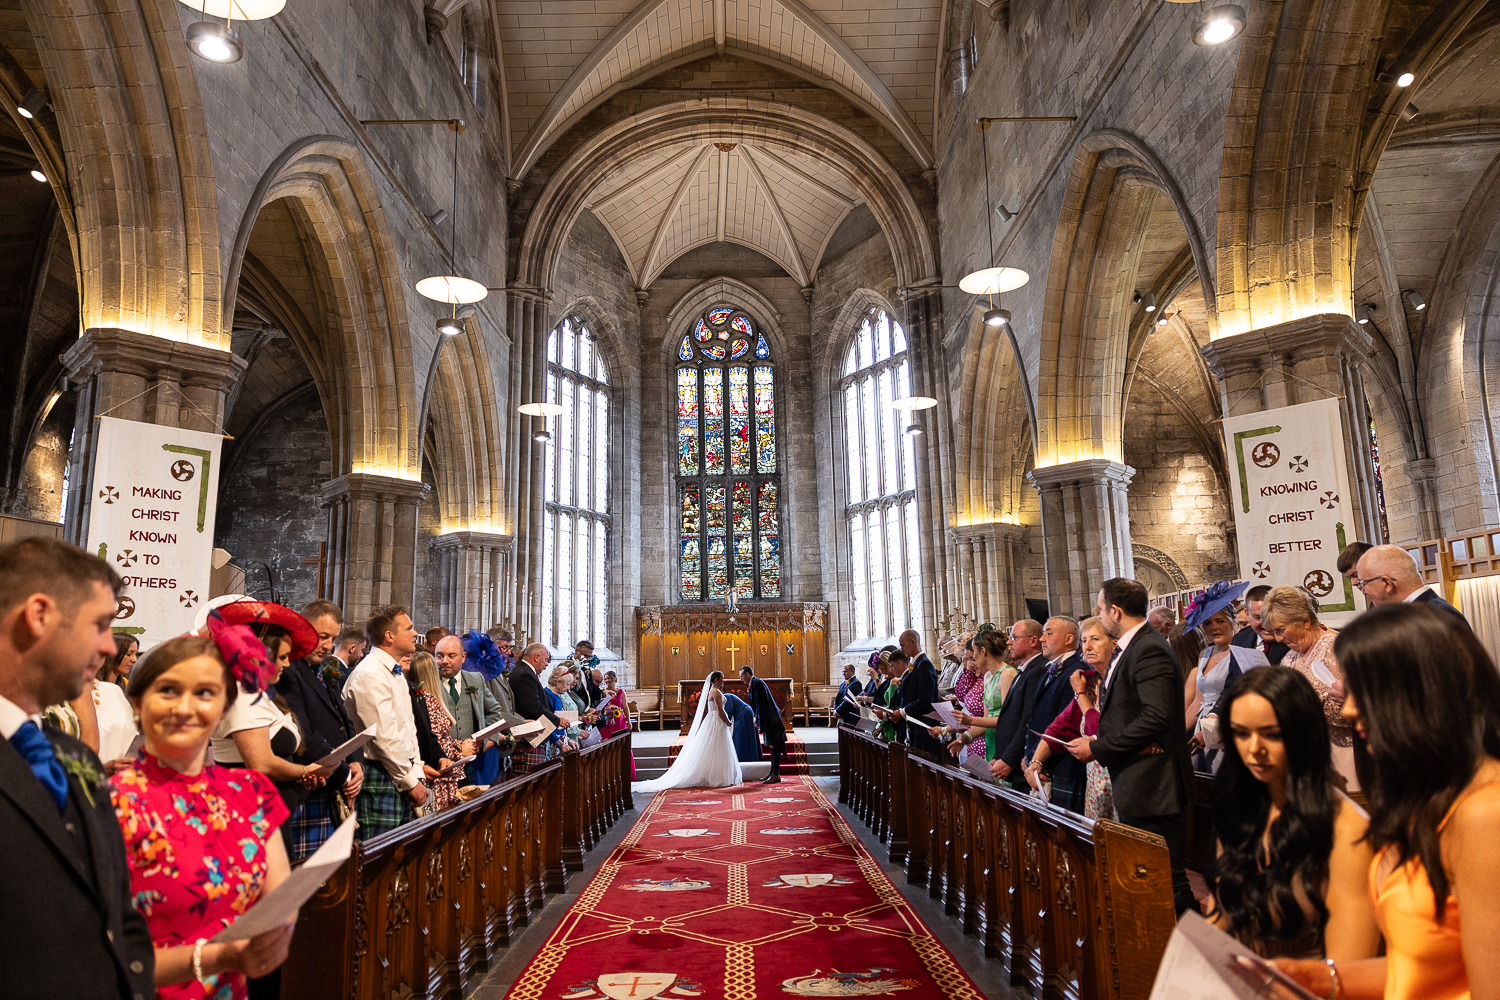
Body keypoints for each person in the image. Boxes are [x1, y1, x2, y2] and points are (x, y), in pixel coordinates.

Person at [1276, 604, 1500, 999]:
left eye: (1364, 691)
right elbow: (1430, 966)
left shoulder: (1486, 811)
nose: (1348, 708)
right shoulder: (1428, 796)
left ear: (1419, 693)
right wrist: (1317, 978)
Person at [0, 538, 156, 1000]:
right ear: (40, 614)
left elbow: (116, 910)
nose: (110, 646)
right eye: (101, 625)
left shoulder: (75, 757)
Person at [112, 624, 302, 1000]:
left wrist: (278, 934)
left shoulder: (251, 792)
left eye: (204, 694)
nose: (185, 708)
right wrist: (217, 957)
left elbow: (280, 901)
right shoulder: (111, 802)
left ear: (224, 708)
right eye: (168, 690)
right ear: (137, 703)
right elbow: (96, 949)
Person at [1208, 667, 1380, 961]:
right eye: (1241, 734)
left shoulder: (1346, 829)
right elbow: (1220, 922)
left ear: (1303, 735)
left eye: (1272, 735)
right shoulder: (1240, 810)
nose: (1254, 750)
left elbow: (1347, 969)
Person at [1068, 578, 1194, 916]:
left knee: (1166, 875)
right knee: (1151, 871)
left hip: (1154, 782)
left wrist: (1099, 747)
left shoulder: (1147, 647)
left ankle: (1192, 951)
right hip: (1139, 778)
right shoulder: (1133, 646)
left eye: (1100, 608)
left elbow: (1157, 716)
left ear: (1115, 611)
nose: (1099, 614)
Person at [275, 599, 364, 863]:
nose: (327, 645)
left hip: (333, 780)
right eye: (322, 636)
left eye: (332, 638)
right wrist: (345, 774)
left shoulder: (323, 669)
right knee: (306, 876)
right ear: (302, 630)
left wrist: (356, 760)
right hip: (309, 787)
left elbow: (345, 721)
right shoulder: (290, 672)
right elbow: (304, 735)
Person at [1260, 585, 1360, 795]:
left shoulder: (1335, 648)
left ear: (1306, 621)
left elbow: (1350, 712)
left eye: (1281, 630)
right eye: (1273, 632)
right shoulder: (1291, 655)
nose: (1278, 639)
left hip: (1339, 754)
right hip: (1306, 756)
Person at [342, 605, 428, 835]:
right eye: (408, 628)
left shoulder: (393, 672)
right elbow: (384, 738)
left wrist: (416, 771)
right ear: (389, 636)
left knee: (399, 855)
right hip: (378, 775)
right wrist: (410, 782)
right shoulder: (370, 673)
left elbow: (408, 730)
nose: (414, 633)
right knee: (378, 859)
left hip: (396, 772)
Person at [1182, 582, 1268, 773]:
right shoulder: (1204, 654)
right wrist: (1176, 732)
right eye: (1208, 623)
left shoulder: (1242, 652)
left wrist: (1214, 729)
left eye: (1220, 621)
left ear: (1232, 621)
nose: (1214, 628)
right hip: (1201, 727)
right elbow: (1198, 701)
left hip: (1227, 724)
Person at [1015, 618, 1086, 809]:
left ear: (1069, 638)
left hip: (1062, 765)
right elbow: (1037, 718)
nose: (1042, 638)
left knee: (1065, 833)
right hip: (1043, 762)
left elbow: (1064, 722)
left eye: (1049, 633)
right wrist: (1029, 755)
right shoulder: (1053, 669)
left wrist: (1036, 758)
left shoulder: (1077, 670)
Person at [637, 671, 742, 790]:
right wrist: (728, 721)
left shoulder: (712, 691)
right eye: (722, 679)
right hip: (716, 721)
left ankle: (713, 774)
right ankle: (717, 776)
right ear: (717, 679)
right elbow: (720, 711)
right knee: (718, 747)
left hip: (712, 720)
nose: (723, 681)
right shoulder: (716, 692)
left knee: (713, 747)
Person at [433, 634, 501, 783]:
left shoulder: (475, 679)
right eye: (439, 656)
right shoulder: (428, 683)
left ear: (463, 657)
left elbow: (494, 711)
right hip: (441, 763)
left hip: (471, 763)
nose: (444, 661)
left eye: (451, 656)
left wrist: (488, 741)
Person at [406, 650, 467, 811]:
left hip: (439, 771)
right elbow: (433, 740)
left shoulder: (422, 698)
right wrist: (460, 749)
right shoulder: (426, 700)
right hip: (437, 775)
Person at [991, 619, 1046, 788]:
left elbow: (1027, 720)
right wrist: (1000, 755)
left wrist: (1008, 760)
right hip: (1011, 760)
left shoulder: (1039, 669)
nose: (1008, 642)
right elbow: (1011, 718)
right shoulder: (1026, 669)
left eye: (1014, 637)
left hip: (1021, 763)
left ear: (1033, 641)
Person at [1354, 544, 1469, 623]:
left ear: (1387, 583)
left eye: (1363, 583)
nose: (1363, 590)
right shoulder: (1424, 610)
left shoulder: (1432, 617)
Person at [947, 627, 1011, 768]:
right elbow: (985, 721)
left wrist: (970, 720)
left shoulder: (1007, 674)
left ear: (983, 651)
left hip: (1005, 741)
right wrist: (964, 739)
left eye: (974, 652)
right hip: (990, 741)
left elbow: (1008, 719)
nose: (973, 659)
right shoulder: (987, 676)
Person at [511, 643, 566, 774]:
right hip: (528, 740)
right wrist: (557, 720)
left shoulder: (526, 672)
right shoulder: (525, 674)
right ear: (536, 657)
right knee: (529, 785)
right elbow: (534, 708)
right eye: (545, 660)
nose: (547, 664)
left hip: (533, 739)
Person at [888, 629, 941, 757]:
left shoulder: (924, 664)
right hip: (916, 726)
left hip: (924, 728)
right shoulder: (916, 664)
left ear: (913, 642)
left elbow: (925, 699)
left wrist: (902, 712)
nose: (901, 649)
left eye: (903, 645)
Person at [740, 664, 787, 783]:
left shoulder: (756, 683)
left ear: (747, 674)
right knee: (772, 744)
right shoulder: (754, 683)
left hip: (771, 720)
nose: (741, 679)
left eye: (742, 676)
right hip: (768, 719)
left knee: (774, 744)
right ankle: (772, 773)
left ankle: (776, 774)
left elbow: (760, 703)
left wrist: (756, 719)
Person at [1232, 584, 1290, 665]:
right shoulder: (1239, 640)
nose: (1266, 624)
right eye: (1258, 617)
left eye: (1270, 617)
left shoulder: (1291, 641)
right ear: (1247, 614)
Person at [321, 627, 366, 695]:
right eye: (361, 650)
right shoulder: (343, 675)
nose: (362, 655)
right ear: (352, 648)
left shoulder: (324, 665)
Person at [834, 662, 863, 727]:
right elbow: (837, 698)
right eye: (843, 671)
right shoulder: (843, 684)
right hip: (842, 715)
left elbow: (848, 701)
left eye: (846, 671)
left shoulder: (856, 684)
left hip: (850, 717)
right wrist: (835, 710)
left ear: (852, 671)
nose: (843, 673)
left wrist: (838, 711)